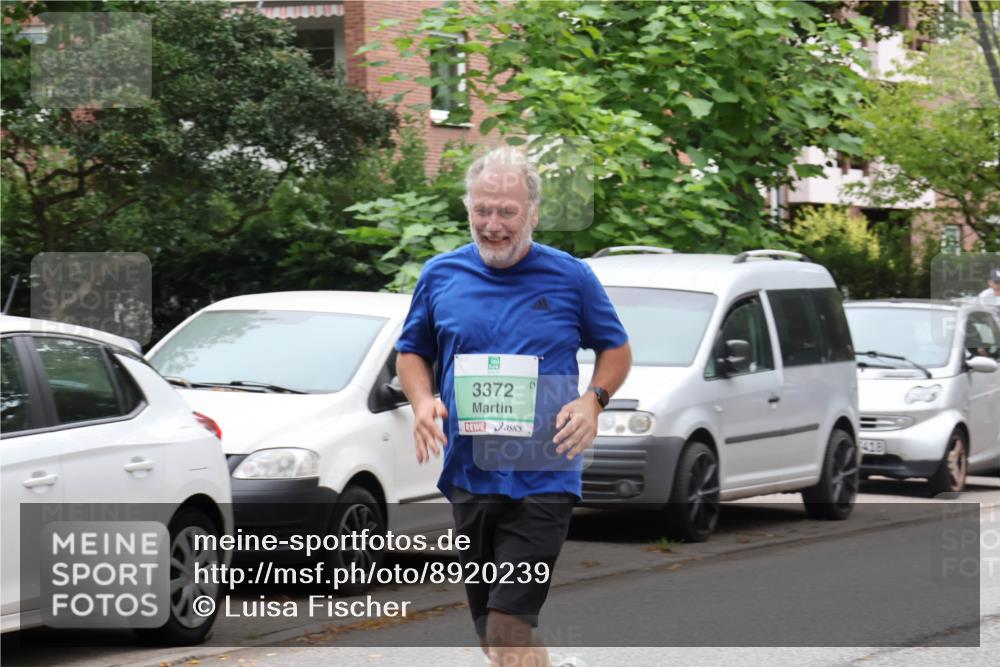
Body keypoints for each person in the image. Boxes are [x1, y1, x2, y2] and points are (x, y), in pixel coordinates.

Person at [395, 146, 632, 667]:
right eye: (482, 210)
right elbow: (412, 351)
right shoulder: (441, 275)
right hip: (470, 473)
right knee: (493, 631)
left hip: (545, 474)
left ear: (533, 213)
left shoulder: (570, 278)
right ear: (468, 209)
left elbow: (615, 349)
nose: (493, 224)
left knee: (508, 619)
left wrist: (593, 400)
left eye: (507, 212)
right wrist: (420, 401)